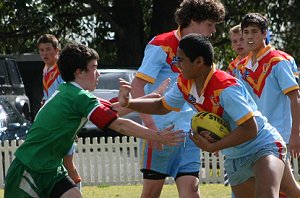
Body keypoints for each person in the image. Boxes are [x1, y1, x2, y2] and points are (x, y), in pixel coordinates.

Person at [4, 43, 184, 198]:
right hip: (29, 169)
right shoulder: (78, 97)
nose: (98, 74)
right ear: (79, 72)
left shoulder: (73, 92)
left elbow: (115, 109)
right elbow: (118, 124)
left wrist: (155, 97)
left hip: (51, 169)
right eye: (94, 68)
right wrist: (156, 135)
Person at [119, 33, 287, 197]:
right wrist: (129, 103)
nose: (176, 64)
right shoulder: (185, 83)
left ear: (199, 62)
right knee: (291, 192)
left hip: (262, 144)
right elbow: (162, 106)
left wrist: (214, 146)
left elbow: (251, 129)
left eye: (181, 59)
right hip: (234, 154)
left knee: (267, 194)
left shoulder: (225, 87)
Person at [130, 0, 225, 197]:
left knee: (192, 190)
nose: (213, 30)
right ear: (193, 20)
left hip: (190, 134)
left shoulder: (201, 52)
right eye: (210, 24)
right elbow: (137, 86)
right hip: (161, 132)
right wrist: (150, 128)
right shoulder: (161, 44)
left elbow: (204, 93)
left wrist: (213, 131)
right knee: (151, 193)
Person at [238, 13, 300, 197]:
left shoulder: (278, 61)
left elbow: (295, 97)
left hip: (279, 133)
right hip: (254, 134)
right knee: (270, 187)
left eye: (254, 31)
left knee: (280, 188)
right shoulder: (242, 67)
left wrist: (296, 134)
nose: (249, 36)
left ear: (264, 33)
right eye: (246, 32)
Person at [37, 34, 82, 189]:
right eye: (41, 50)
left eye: (48, 49)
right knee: (56, 162)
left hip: (64, 123)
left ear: (57, 50)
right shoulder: (45, 69)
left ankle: (78, 193)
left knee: (67, 162)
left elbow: (70, 96)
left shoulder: (62, 71)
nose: (44, 53)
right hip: (52, 123)